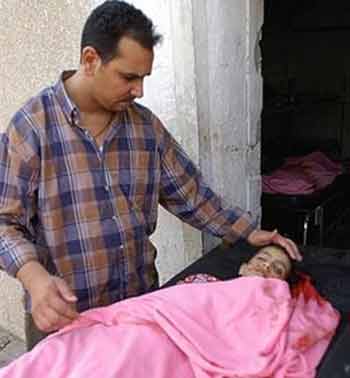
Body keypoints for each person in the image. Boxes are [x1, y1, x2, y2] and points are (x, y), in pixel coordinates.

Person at [0, 0, 301, 343]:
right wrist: (35, 278)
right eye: (128, 77)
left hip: (140, 312)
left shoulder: (146, 128)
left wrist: (247, 231)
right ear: (90, 60)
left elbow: (192, 196)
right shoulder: (31, 127)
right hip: (64, 322)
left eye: (143, 78)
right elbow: (4, 222)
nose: (139, 91)